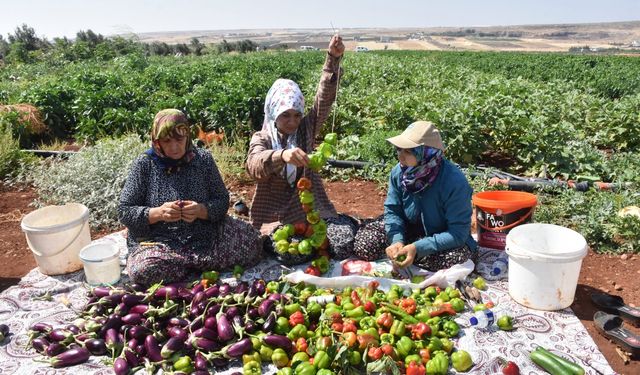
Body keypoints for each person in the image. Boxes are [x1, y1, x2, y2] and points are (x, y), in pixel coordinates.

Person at [118, 109, 262, 285]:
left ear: (187, 136)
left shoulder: (203, 159)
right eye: (166, 141)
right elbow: (124, 211)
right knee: (143, 270)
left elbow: (222, 200)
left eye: (179, 139)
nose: (174, 147)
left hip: (205, 238)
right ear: (157, 141)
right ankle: (196, 265)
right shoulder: (145, 164)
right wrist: (158, 213)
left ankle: (185, 267)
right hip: (160, 243)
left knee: (252, 243)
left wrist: (201, 210)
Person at [246, 34, 356, 259]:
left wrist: (332, 59)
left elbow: (323, 100)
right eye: (285, 115)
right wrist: (282, 155)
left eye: (297, 115)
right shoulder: (262, 138)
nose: (293, 121)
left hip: (312, 213)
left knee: (342, 243)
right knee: (291, 253)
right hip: (274, 219)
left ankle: (339, 225)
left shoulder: (305, 130)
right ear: (274, 113)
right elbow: (254, 165)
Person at [382, 120, 477, 270]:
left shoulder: (454, 181)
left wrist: (418, 247)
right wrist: (396, 240)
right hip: (410, 231)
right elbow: (393, 210)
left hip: (442, 238)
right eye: (399, 149)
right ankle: (409, 251)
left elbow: (458, 233)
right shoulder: (399, 173)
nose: (400, 156)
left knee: (451, 259)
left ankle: (414, 254)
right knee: (365, 244)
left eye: (408, 151)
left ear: (427, 153)